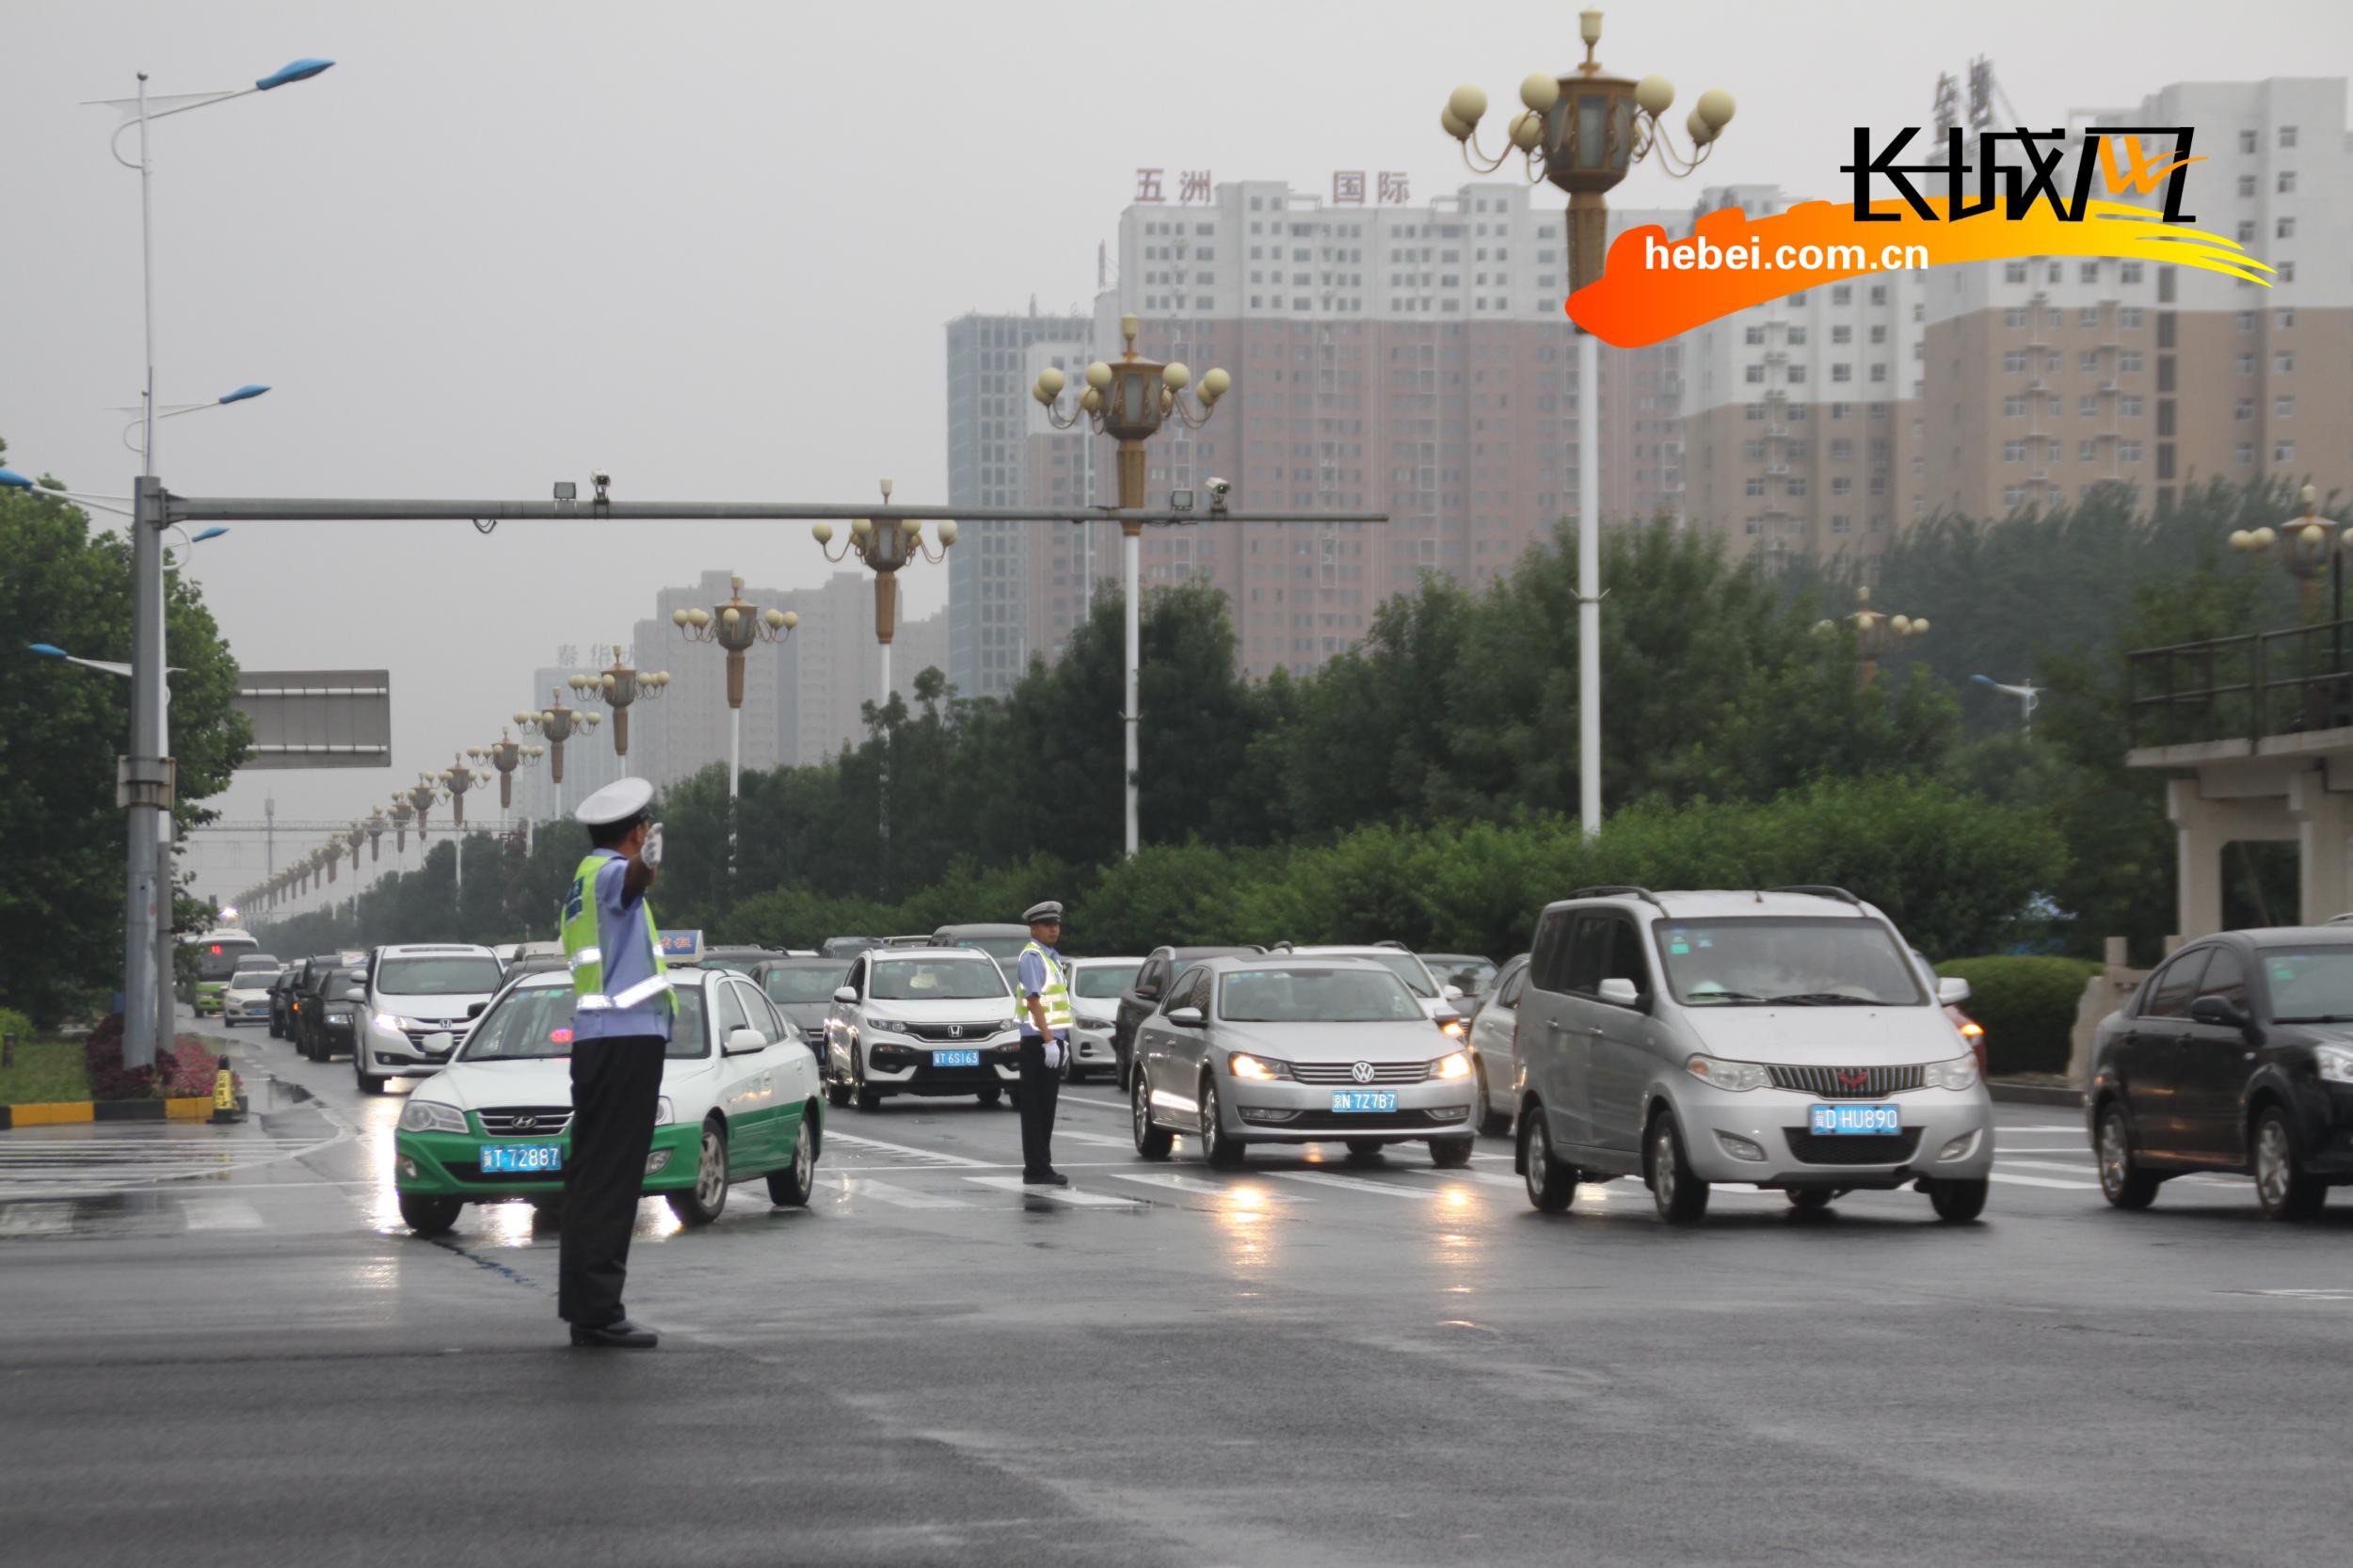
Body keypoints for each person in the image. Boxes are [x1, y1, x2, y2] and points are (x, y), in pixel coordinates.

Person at [557, 776, 674, 1350]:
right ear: (635, 833)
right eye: (644, 831)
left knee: (593, 1175)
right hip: (623, 1043)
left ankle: (588, 1307)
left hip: (601, 1042)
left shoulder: (579, 881)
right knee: (611, 1179)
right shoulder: (607, 874)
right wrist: (645, 866)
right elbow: (629, 882)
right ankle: (599, 1312)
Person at [1014, 901, 1072, 1186]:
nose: (1054, 929)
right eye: (1048, 924)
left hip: (1050, 1041)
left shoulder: (1051, 956)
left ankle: (1041, 1165)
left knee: (1046, 1107)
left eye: (1056, 924)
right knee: (1036, 1108)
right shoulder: (1033, 957)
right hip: (1039, 1042)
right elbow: (1034, 1000)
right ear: (1033, 928)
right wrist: (1049, 1040)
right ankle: (1036, 1168)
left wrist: (1062, 1040)